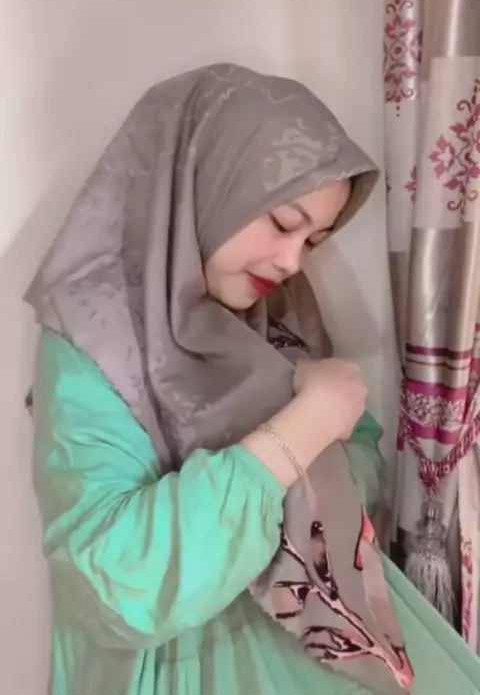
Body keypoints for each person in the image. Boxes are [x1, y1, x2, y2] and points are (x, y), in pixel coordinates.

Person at [26, 65, 480, 695]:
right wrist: (296, 434)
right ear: (209, 182)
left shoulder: (275, 316)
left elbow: (360, 477)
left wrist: (317, 441)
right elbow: (114, 584)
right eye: (284, 223)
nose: (292, 260)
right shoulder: (93, 341)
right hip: (175, 667)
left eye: (314, 240)